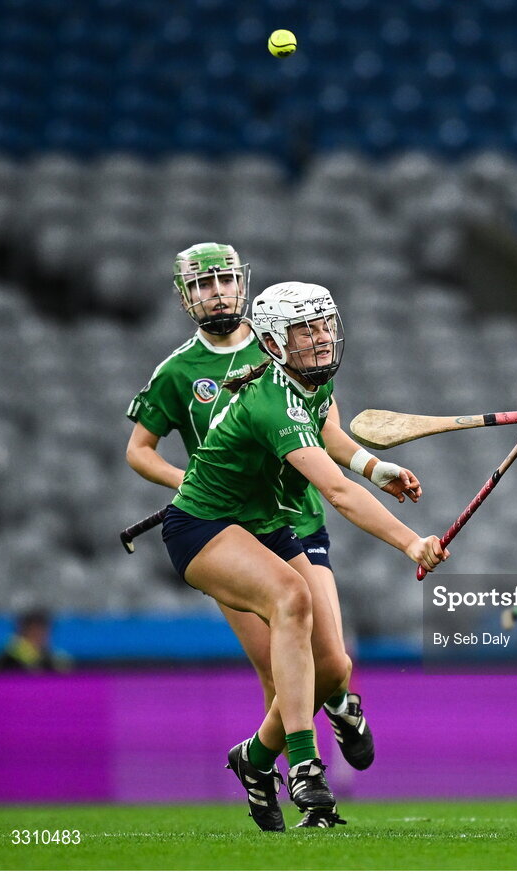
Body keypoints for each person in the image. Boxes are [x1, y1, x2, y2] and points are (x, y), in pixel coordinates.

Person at [126, 245, 399, 825]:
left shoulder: (290, 339)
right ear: (185, 296)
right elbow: (139, 451)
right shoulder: (177, 372)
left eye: (225, 280)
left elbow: (325, 434)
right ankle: (298, 773)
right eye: (203, 285)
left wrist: (372, 466)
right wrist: (188, 479)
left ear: (242, 285)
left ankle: (320, 716)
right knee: (277, 665)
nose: (216, 293)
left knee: (334, 665)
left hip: (296, 518)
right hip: (226, 526)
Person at [0, 609, 72, 672]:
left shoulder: (55, 660)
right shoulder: (6, 660)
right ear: (22, 632)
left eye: (42, 632)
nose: (39, 636)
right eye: (33, 632)